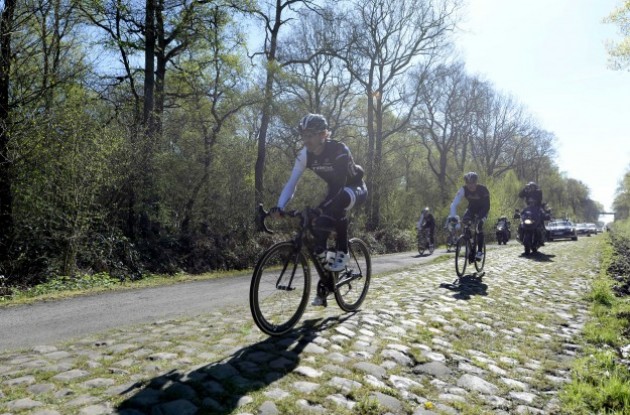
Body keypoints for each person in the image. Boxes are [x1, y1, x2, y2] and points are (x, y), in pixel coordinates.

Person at [270, 114, 367, 306]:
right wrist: (280, 206)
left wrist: (320, 209)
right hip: (335, 192)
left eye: (310, 135)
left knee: (338, 202)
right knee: (318, 232)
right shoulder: (304, 155)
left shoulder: (339, 150)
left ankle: (343, 251)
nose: (306, 140)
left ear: (323, 134)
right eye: (303, 135)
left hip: (354, 188)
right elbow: (292, 183)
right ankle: (326, 284)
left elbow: (339, 187)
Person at [448, 172, 490, 260]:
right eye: (468, 183)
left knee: (478, 227)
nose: (470, 185)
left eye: (472, 183)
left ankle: (479, 251)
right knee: (465, 222)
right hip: (471, 209)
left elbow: (487, 206)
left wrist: (480, 217)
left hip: (483, 210)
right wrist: (453, 217)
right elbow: (453, 204)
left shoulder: (483, 189)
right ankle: (470, 242)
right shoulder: (463, 190)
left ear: (476, 182)